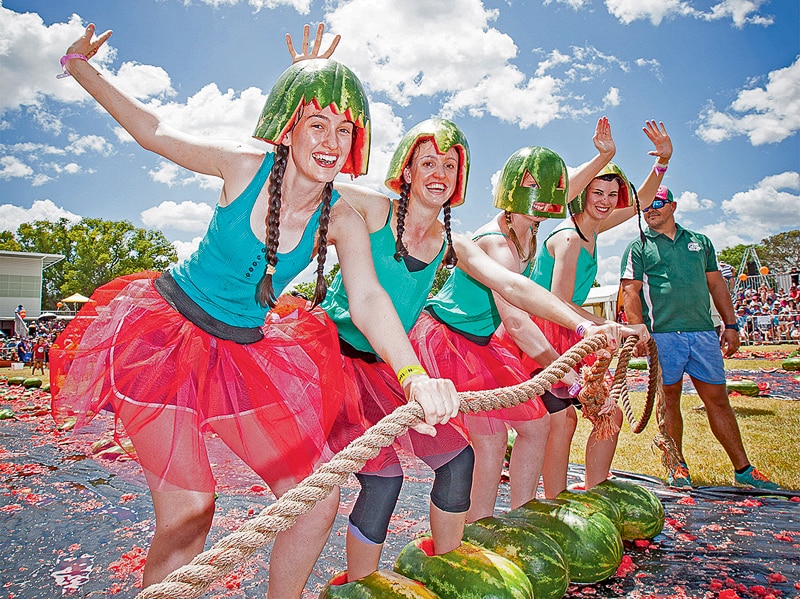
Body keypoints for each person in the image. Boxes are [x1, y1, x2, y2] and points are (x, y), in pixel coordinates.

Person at [49, 24, 460, 595]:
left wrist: (413, 374)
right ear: (288, 128)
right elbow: (154, 131)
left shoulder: (341, 214)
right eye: (317, 123)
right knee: (191, 508)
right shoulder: (245, 165)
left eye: (345, 129)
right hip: (164, 339)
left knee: (317, 499)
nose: (332, 140)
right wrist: (80, 66)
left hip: (245, 351)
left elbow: (368, 298)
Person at [322, 118, 636, 583]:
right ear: (405, 171)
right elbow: (308, 187)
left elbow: (513, 283)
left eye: (450, 165)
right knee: (382, 480)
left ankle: (451, 565)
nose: (439, 173)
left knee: (459, 459)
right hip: (336, 358)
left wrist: (581, 324)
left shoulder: (455, 239)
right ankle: (359, 584)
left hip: (386, 363)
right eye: (427, 162)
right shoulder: (375, 209)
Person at [413, 129, 648, 521]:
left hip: (482, 341)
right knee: (489, 442)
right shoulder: (498, 243)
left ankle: (522, 517)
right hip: (450, 340)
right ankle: (479, 529)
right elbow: (518, 324)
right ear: (510, 190)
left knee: (537, 427)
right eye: (529, 185)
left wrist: (604, 157)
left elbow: (555, 190)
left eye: (549, 188)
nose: (544, 194)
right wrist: (568, 369)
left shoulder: (531, 220)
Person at [498, 120, 673, 499]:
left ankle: (596, 492)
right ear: (582, 194)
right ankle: (556, 500)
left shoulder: (594, 229)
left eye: (613, 193)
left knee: (607, 413)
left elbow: (639, 201)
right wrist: (615, 326)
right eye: (598, 191)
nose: (607, 200)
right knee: (563, 420)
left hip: (570, 334)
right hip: (544, 335)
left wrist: (662, 163)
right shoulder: (568, 238)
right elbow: (560, 303)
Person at [620, 186, 779, 490]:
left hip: (703, 333)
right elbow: (631, 291)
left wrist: (731, 325)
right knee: (669, 401)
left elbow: (717, 285)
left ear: (673, 206)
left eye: (657, 203)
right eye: (645, 206)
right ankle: (677, 465)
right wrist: (637, 329)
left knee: (718, 400)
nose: (650, 210)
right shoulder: (638, 246)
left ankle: (743, 469)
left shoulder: (700, 242)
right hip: (662, 336)